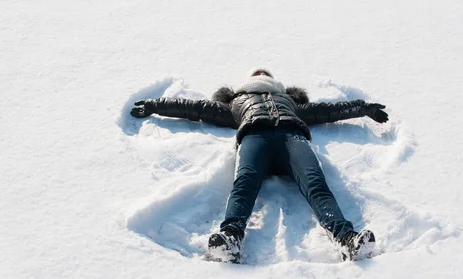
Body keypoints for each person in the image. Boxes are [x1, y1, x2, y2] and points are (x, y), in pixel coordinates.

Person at [131, 68, 389, 263]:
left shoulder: (291, 103)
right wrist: (155, 105)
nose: (261, 74)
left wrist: (363, 108)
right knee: (245, 183)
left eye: (264, 74)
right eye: (257, 74)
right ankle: (231, 237)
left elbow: (327, 111)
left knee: (316, 184)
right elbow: (196, 109)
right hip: (255, 137)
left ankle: (347, 240)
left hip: (292, 138)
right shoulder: (235, 103)